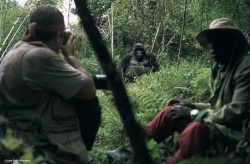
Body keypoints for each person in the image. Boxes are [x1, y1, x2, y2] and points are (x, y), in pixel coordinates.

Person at [109, 18, 250, 163]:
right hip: (220, 123)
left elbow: (237, 112)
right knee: (171, 112)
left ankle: (175, 160)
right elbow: (215, 107)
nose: (212, 47)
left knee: (196, 128)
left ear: (232, 43)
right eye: (210, 41)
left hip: (237, 132)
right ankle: (134, 149)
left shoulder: (245, 68)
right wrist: (191, 105)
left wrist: (194, 113)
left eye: (218, 41)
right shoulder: (221, 68)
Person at [0, 5, 101, 164]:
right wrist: (69, 55)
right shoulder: (40, 56)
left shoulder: (16, 51)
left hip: (20, 145)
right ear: (58, 36)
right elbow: (88, 89)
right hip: (44, 151)